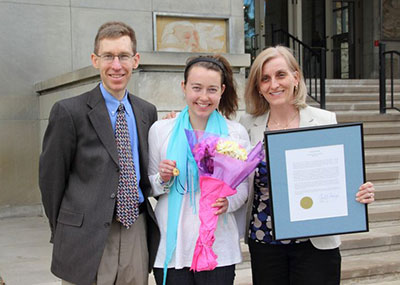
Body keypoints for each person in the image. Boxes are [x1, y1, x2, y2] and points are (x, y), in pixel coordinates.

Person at [239, 45, 376, 285]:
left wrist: (359, 191)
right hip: (265, 240)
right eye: (265, 79)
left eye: (280, 75)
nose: (274, 84)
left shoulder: (324, 120)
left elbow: (340, 176)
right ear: (258, 87)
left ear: (296, 77)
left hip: (316, 242)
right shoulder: (247, 125)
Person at [39, 21, 160, 285]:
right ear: (95, 60)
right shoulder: (68, 112)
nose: (116, 65)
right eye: (108, 56)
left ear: (135, 60)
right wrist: (64, 231)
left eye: (124, 56)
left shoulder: (146, 112)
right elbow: (51, 182)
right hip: (86, 235)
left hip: (135, 229)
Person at [148, 55, 250, 285]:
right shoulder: (161, 130)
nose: (204, 97)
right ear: (184, 87)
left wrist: (228, 203)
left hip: (218, 245)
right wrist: (162, 178)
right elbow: (148, 185)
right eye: (196, 88)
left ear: (222, 90)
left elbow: (243, 188)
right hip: (172, 246)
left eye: (212, 89)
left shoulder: (234, 134)